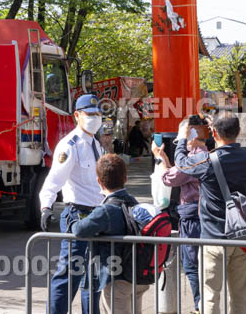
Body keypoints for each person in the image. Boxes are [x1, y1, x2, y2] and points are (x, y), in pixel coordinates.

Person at [174, 114, 246, 314]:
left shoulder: (207, 161)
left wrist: (182, 138)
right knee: (240, 296)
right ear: (238, 131)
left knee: (210, 295)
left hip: (214, 238)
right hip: (243, 237)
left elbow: (181, 163)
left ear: (214, 132)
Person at [39, 93, 107, 314]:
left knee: (94, 277)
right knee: (69, 274)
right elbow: (54, 180)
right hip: (78, 214)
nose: (95, 118)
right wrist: (46, 206)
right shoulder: (70, 145)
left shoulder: (96, 144)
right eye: (89, 114)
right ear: (77, 115)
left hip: (98, 216)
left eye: (98, 114)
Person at [71, 154, 153, 314]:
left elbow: (79, 230)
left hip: (118, 278)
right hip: (137, 274)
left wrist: (75, 220)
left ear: (98, 181)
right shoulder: (132, 201)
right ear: (126, 178)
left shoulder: (106, 210)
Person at [152, 114, 208, 312]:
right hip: (202, 215)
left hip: (193, 216)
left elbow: (172, 178)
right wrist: (166, 159)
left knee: (192, 265)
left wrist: (161, 159)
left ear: (190, 133)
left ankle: (200, 305)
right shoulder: (206, 153)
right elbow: (176, 174)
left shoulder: (195, 157)